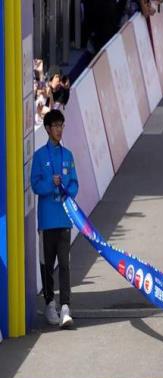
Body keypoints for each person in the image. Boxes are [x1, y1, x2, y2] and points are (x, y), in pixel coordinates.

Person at [31, 110, 79, 328]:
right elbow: (35, 185)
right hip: (47, 220)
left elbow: (75, 183)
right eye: (56, 126)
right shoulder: (40, 156)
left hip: (64, 219)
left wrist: (68, 192)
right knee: (47, 265)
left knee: (65, 264)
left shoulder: (68, 155)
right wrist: (51, 183)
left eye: (62, 125)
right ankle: (50, 304)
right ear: (48, 128)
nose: (59, 130)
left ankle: (66, 306)